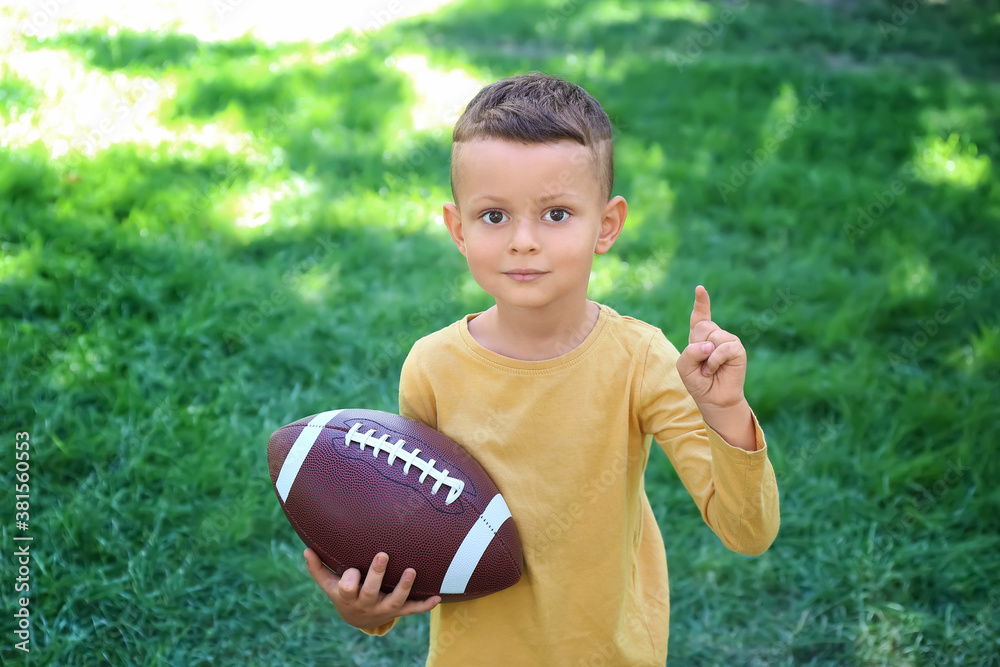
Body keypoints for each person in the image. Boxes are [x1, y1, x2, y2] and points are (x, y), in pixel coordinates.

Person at [304, 71, 780, 665]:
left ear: (606, 225)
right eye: (494, 216)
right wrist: (366, 611)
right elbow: (413, 529)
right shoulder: (432, 366)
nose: (523, 241)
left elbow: (748, 531)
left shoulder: (641, 361)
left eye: (556, 214)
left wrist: (725, 410)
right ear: (458, 229)